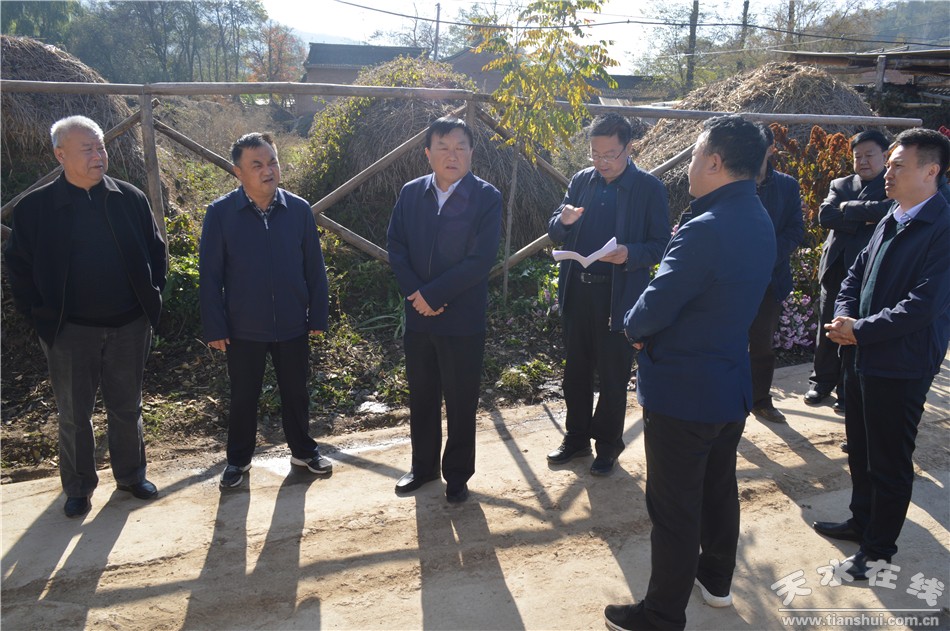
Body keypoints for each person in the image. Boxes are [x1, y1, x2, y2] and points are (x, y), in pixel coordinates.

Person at [605, 115, 775, 631]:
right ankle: (716, 581)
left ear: (715, 162)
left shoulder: (705, 227)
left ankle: (661, 615)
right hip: (728, 383)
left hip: (683, 392)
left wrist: (633, 327)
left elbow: (657, 303)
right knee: (719, 490)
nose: (691, 166)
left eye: (697, 155)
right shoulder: (758, 217)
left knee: (674, 509)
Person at [5, 115, 167, 518]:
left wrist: (148, 301)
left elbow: (156, 251)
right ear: (60, 155)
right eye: (87, 149)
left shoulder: (129, 198)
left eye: (101, 147)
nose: (99, 155)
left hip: (129, 325)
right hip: (70, 330)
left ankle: (131, 476)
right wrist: (41, 316)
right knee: (75, 414)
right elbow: (18, 269)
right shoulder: (35, 209)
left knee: (127, 406)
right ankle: (78, 488)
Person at [813, 128, 950, 581]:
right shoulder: (895, 214)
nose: (887, 173)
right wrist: (845, 316)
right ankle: (862, 521)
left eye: (898, 166)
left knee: (889, 459)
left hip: (902, 362)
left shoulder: (942, 228)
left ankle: (878, 551)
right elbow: (855, 274)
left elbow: (923, 306)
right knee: (860, 447)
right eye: (888, 164)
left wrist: (860, 331)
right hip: (862, 353)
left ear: (931, 172)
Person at [199, 132, 331, 488]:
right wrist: (215, 325)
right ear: (238, 172)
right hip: (243, 326)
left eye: (272, 161)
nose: (267, 170)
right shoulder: (221, 213)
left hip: (292, 322)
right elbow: (210, 275)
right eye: (256, 165)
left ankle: (303, 451)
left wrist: (318, 313)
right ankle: (238, 461)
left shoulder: (298, 210)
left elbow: (314, 267)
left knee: (296, 392)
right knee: (244, 396)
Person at [546, 113, 670, 476]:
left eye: (609, 155)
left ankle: (607, 446)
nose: (601, 162)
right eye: (595, 154)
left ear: (629, 148)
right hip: (578, 292)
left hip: (620, 297)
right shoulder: (581, 181)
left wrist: (630, 252)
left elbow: (660, 245)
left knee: (613, 377)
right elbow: (554, 229)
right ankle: (576, 439)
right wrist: (563, 221)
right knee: (575, 372)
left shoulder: (648, 188)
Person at [386, 116, 502, 504]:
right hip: (419, 316)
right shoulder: (411, 193)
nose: (452, 155)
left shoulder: (486, 197)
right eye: (443, 147)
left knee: (460, 399)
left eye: (460, 147)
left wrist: (434, 295)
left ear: (471, 152)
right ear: (428, 153)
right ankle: (423, 468)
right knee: (422, 395)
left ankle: (457, 475)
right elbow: (396, 246)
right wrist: (415, 294)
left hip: (462, 319)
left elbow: (480, 259)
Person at [805, 130, 892, 413]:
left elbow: (887, 212)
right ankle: (821, 382)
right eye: (858, 156)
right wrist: (864, 217)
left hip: (868, 271)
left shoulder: (891, 184)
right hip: (835, 267)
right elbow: (825, 216)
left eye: (869, 155)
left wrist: (848, 209)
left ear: (884, 155)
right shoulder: (840, 183)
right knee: (828, 327)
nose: (863, 161)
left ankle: (846, 390)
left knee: (855, 330)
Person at [746, 125, 805, 423]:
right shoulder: (731, 181)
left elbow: (796, 230)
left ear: (771, 149)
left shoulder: (786, 185)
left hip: (770, 279)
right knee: (724, 342)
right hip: (731, 279)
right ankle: (725, 400)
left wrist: (768, 255)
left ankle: (760, 400)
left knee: (761, 343)